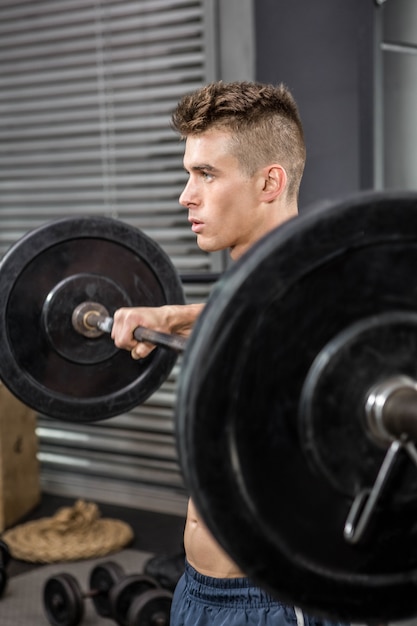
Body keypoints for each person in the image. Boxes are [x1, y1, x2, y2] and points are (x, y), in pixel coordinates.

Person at [111, 81, 345, 626]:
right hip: (196, 590)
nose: (185, 196)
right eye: (189, 173)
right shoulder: (249, 301)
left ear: (270, 182)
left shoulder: (329, 295)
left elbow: (295, 315)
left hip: (274, 603)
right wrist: (175, 316)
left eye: (206, 174)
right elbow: (252, 313)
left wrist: (174, 315)